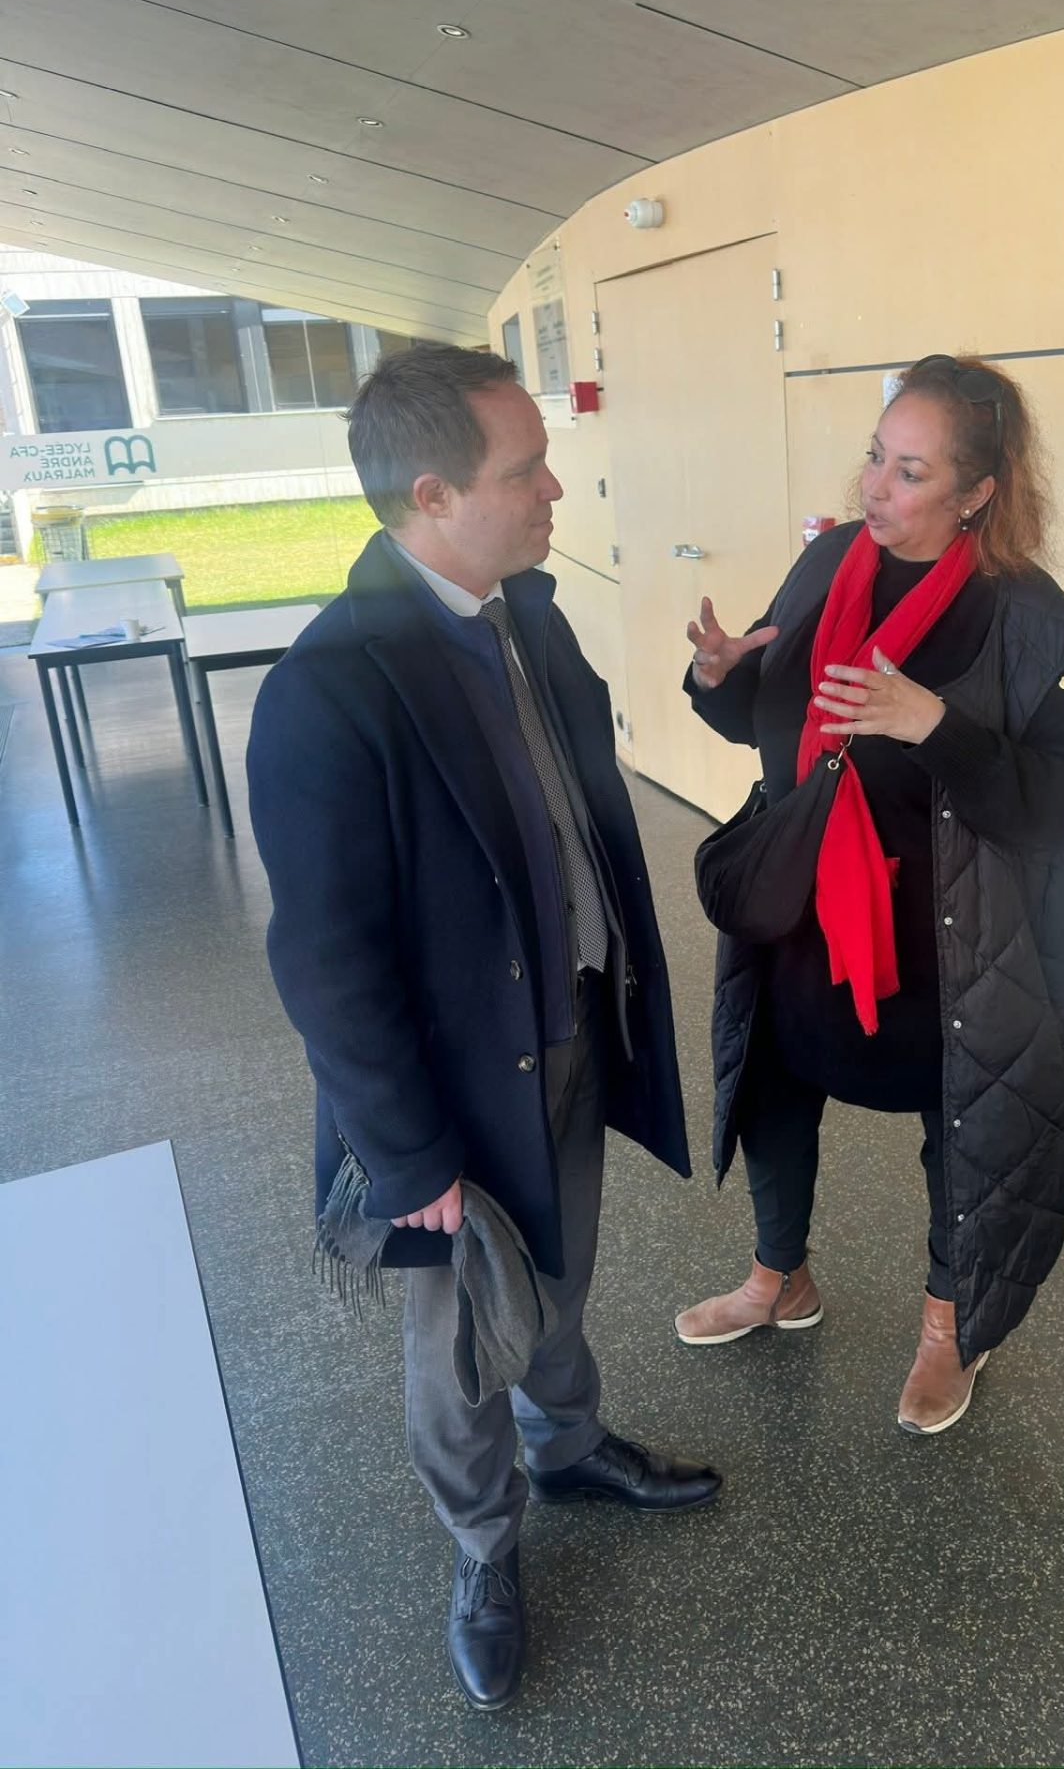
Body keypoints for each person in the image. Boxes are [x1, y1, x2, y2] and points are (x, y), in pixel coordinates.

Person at [246, 343, 720, 1714]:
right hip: (454, 1091)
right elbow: (326, 963)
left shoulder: (527, 616)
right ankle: (481, 1547)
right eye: (528, 470)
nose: (556, 488)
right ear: (434, 494)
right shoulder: (332, 688)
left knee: (556, 1275)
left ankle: (565, 1446)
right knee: (464, 1338)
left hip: (570, 1026)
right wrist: (409, 1157)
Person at [675, 353, 1064, 1432]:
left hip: (948, 934)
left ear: (978, 492)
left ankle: (946, 1328)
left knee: (959, 1127)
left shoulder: (1033, 620)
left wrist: (935, 725)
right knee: (774, 1087)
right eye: (876, 456)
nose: (875, 487)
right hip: (803, 902)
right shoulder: (829, 561)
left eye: (909, 472)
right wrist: (719, 678)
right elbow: (778, 721)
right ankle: (778, 1277)